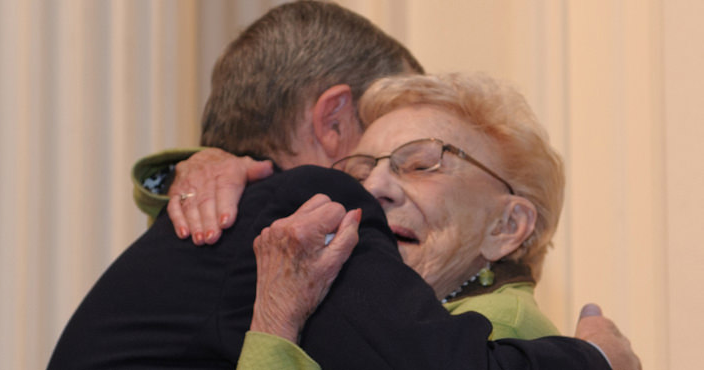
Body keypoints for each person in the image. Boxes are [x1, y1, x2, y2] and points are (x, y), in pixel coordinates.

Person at [48, 1, 639, 370]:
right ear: (334, 121)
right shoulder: (295, 213)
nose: (376, 184)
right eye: (365, 158)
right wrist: (594, 360)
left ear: (509, 224)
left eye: (419, 160)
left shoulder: (223, 224)